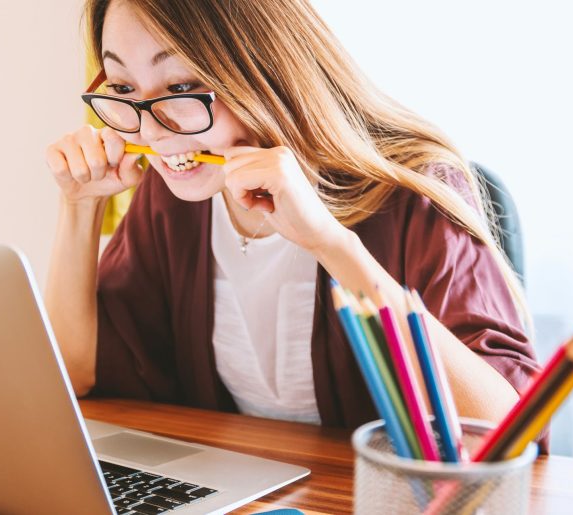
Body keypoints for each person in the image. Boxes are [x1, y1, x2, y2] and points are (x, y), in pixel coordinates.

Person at [45, 0, 541, 433]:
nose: (153, 131)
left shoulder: (414, 191)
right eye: (125, 89)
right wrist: (80, 206)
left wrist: (331, 243)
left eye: (181, 84)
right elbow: (74, 372)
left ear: (263, 68)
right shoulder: (172, 198)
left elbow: (503, 429)